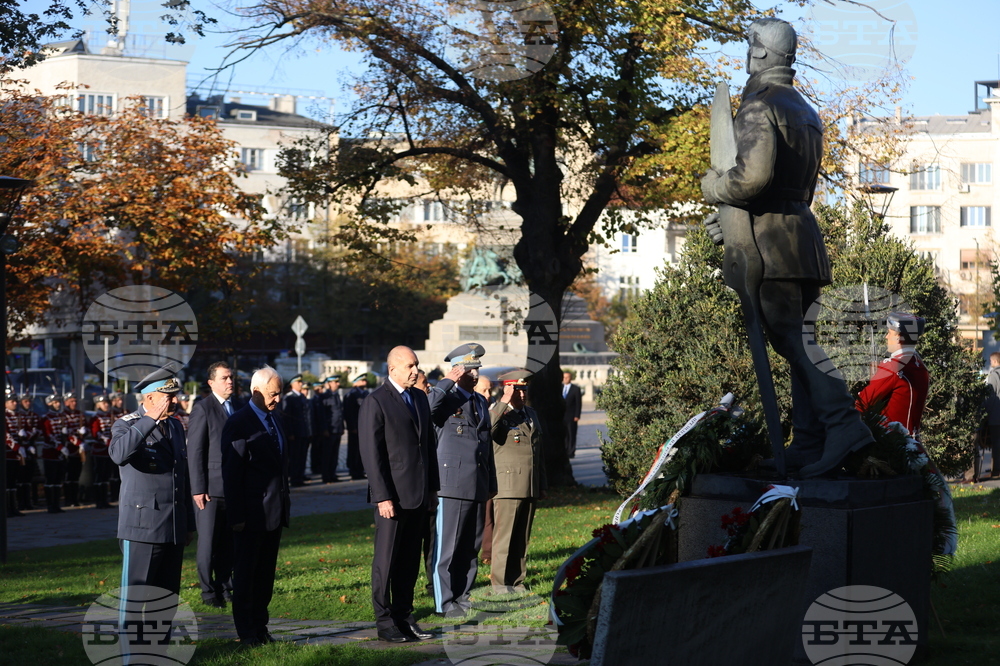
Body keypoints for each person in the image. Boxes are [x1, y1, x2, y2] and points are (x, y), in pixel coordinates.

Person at [701, 17, 873, 477]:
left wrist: (717, 189)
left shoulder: (759, 106)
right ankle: (812, 440)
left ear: (758, 52)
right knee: (804, 341)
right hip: (803, 239)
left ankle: (843, 426)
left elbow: (752, 178)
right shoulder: (805, 109)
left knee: (792, 341)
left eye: (748, 46)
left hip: (772, 247)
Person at [109, 369, 195, 658]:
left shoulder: (175, 427)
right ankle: (130, 658)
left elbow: (182, 478)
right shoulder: (127, 424)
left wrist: (188, 524)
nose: (175, 402)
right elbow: (119, 454)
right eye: (168, 397)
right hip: (142, 527)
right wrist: (148, 420)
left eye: (175, 396)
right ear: (149, 398)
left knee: (166, 598)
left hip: (172, 527)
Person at [359, 346, 438, 643]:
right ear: (392, 369)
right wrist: (382, 496)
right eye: (409, 365)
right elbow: (371, 454)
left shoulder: (418, 397)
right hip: (391, 497)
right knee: (386, 560)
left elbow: (428, 446)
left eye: (416, 364)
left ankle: (405, 617)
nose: (415, 370)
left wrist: (433, 488)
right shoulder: (375, 402)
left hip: (418, 494)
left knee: (408, 561)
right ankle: (384, 621)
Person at [222, 365, 291, 648]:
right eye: (273, 395)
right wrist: (236, 515)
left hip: (273, 512)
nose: (277, 400)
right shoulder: (239, 422)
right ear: (256, 392)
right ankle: (246, 631)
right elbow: (232, 473)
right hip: (250, 514)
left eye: (279, 394)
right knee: (247, 575)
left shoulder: (275, 419)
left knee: (264, 576)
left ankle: (260, 627)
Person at [427, 343, 496, 617]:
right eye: (469, 370)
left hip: (477, 482)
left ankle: (463, 596)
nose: (475, 374)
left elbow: (485, 444)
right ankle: (444, 603)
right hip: (452, 483)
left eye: (476, 369)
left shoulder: (479, 400)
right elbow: (429, 408)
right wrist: (447, 381)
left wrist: (491, 484)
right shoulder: (445, 397)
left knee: (470, 547)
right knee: (448, 549)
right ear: (457, 370)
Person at [489, 370, 546, 594]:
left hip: (529, 484)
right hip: (508, 486)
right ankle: (500, 586)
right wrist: (503, 401)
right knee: (505, 539)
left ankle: (517, 582)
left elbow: (538, 452)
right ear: (508, 389)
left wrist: (541, 485)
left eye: (525, 390)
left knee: (521, 538)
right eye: (517, 390)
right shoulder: (498, 412)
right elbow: (487, 429)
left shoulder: (530, 413)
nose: (522, 394)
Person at [187, 361, 237, 608]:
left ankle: (225, 586)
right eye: (225, 378)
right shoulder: (203, 409)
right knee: (207, 543)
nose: (230, 382)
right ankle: (208, 592)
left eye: (231, 377)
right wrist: (197, 488)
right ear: (211, 382)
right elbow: (195, 451)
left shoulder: (235, 407)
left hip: (231, 488)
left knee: (228, 543)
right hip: (209, 490)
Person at [856, 313, 929, 436]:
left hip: (892, 443)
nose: (886, 337)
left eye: (889, 333)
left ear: (898, 337)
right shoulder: (919, 365)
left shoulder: (893, 366)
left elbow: (863, 403)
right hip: (914, 443)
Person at [476, 375, 497, 565]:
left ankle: (488, 553)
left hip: (491, 469)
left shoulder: (495, 410)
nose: (488, 395)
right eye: (483, 390)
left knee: (489, 514)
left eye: (490, 390)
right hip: (474, 470)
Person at [282, 375, 312, 487]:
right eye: (299, 382)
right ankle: (295, 478)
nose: (301, 384)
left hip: (303, 432)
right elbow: (287, 417)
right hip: (295, 433)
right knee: (295, 457)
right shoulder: (289, 398)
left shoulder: (301, 397)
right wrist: (290, 433)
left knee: (302, 456)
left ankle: (300, 476)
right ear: (292, 384)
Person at [87, 395, 116, 509]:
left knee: (106, 476)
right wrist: (106, 440)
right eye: (104, 403)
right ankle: (99, 500)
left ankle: (105, 500)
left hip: (108, 450)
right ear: (98, 405)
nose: (107, 405)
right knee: (99, 476)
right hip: (99, 450)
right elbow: (96, 434)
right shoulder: (95, 418)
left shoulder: (110, 416)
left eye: (107, 403)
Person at [314, 376, 345, 483]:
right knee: (327, 454)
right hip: (329, 430)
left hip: (337, 429)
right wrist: (324, 429)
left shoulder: (336, 395)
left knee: (334, 454)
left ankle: (333, 474)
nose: (337, 384)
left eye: (337, 382)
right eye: (335, 382)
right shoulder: (324, 396)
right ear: (329, 383)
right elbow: (322, 415)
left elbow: (339, 413)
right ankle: (326, 476)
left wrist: (342, 427)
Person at [40, 393, 67, 513]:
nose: (58, 404)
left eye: (58, 402)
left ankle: (56, 504)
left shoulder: (61, 416)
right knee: (50, 479)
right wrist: (60, 446)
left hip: (60, 454)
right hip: (50, 452)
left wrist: (65, 435)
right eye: (55, 402)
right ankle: (50, 505)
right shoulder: (46, 418)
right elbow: (48, 435)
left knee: (58, 480)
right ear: (49, 404)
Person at [61, 391, 88, 507]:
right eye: (72, 401)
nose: (74, 403)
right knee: (68, 476)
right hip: (68, 448)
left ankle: (75, 499)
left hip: (78, 450)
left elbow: (85, 427)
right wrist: (78, 442)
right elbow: (66, 432)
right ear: (66, 402)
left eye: (75, 401)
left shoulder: (80, 414)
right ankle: (68, 499)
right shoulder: (63, 415)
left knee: (76, 475)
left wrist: (84, 432)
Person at [16, 392, 40, 511]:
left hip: (30, 448)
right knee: (20, 477)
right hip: (21, 449)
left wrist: (32, 436)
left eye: (29, 401)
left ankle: (29, 501)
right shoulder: (19, 415)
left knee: (29, 477)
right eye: (25, 401)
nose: (28, 403)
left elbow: (38, 430)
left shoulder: (34, 415)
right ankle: (20, 502)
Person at [344, 374, 370, 480]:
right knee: (354, 450)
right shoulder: (351, 395)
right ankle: (353, 470)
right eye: (362, 380)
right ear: (356, 382)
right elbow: (348, 413)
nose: (365, 382)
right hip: (355, 427)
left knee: (362, 450)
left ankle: (360, 470)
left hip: (364, 427)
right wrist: (352, 427)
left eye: (365, 380)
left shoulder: (366, 393)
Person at [5, 390, 24, 516]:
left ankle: (14, 507)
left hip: (16, 455)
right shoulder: (4, 416)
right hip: (8, 454)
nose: (15, 403)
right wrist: (17, 447)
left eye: (16, 401)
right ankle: (7, 508)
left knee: (13, 482)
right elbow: (6, 435)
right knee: (7, 483)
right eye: (12, 401)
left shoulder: (18, 416)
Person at [561, 371, 582, 458]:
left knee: (571, 434)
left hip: (571, 416)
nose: (565, 379)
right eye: (564, 377)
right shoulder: (559, 387)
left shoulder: (575, 389)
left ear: (570, 378)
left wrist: (577, 415)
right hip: (561, 416)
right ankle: (564, 451)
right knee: (563, 434)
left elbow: (578, 403)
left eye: (567, 377)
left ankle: (571, 452)